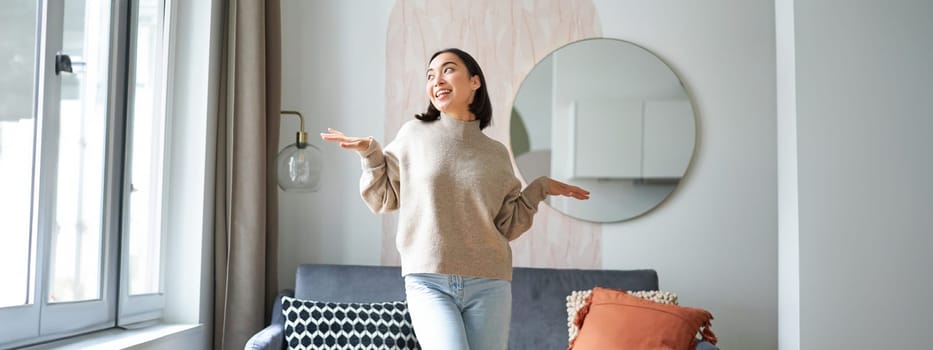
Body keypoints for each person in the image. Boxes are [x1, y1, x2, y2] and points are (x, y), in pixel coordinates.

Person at [320, 48, 589, 350]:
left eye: (447, 70)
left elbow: (506, 225)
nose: (437, 80)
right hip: (428, 280)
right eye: (430, 75)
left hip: (490, 283)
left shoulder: (496, 153)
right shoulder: (413, 135)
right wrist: (370, 154)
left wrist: (539, 188)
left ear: (475, 82)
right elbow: (383, 198)